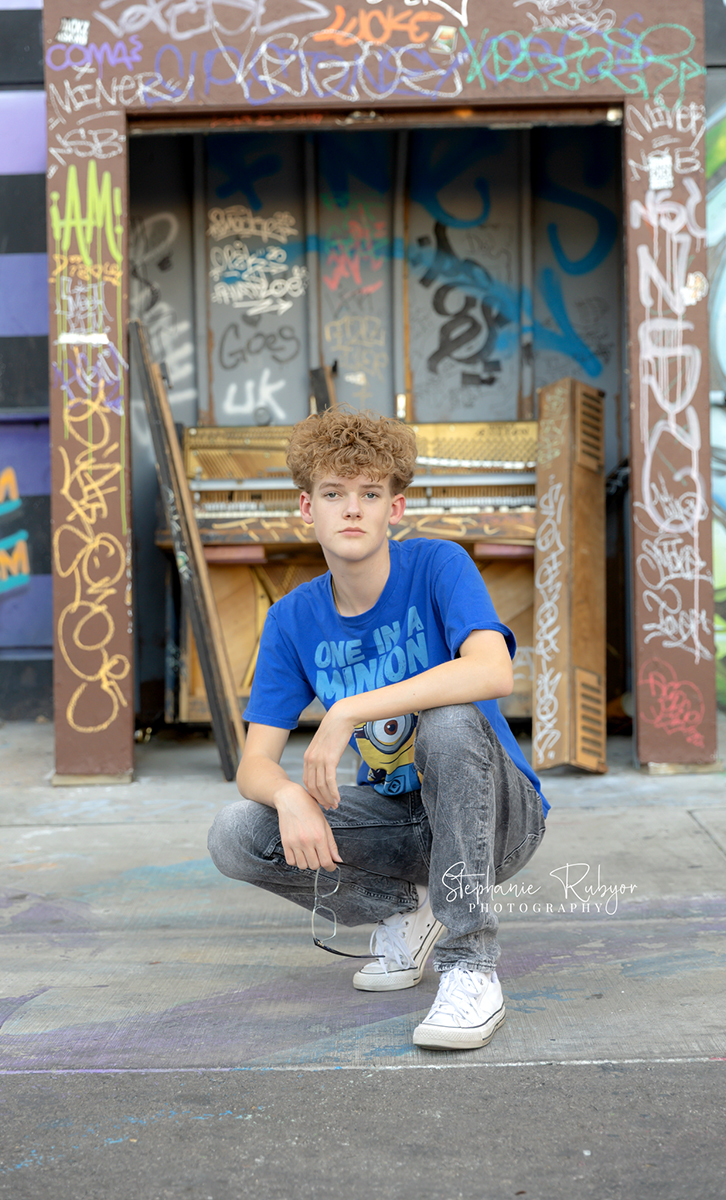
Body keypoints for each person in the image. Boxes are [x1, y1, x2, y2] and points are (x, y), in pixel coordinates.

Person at [208, 408, 548, 1051]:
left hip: (498, 819)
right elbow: (254, 763)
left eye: (371, 493)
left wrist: (347, 710)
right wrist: (286, 798)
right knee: (238, 832)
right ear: (307, 508)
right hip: (402, 820)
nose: (353, 509)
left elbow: (493, 669)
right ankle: (405, 909)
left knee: (448, 721)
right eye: (335, 494)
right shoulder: (292, 620)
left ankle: (472, 966)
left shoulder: (438, 565)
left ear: (396, 507)